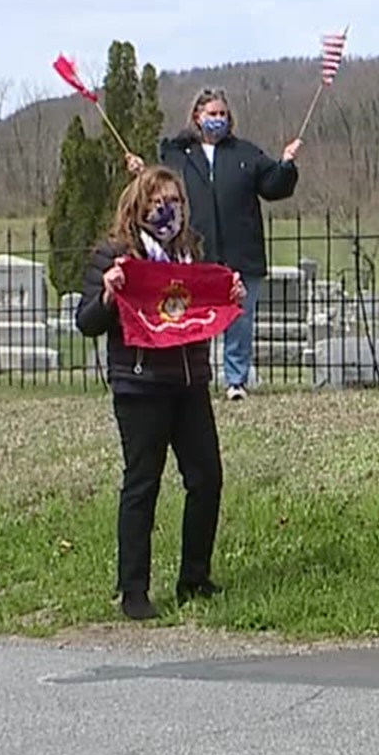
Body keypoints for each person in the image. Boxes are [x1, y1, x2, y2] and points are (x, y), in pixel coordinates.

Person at [75, 165, 245, 620]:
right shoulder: (115, 255)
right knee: (142, 485)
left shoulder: (190, 253)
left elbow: (204, 305)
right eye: (156, 200)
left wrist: (230, 296)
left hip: (189, 383)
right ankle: (133, 589)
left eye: (173, 201)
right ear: (138, 205)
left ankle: (195, 577)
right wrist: (110, 295)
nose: (165, 209)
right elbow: (87, 321)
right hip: (140, 385)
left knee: (206, 478)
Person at [125, 86, 300, 401]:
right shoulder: (177, 155)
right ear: (197, 117)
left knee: (240, 318)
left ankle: (236, 380)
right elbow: (157, 188)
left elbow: (274, 186)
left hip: (242, 251)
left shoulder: (246, 154)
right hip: (196, 252)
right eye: (212, 114)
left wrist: (286, 165)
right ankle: (194, 375)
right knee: (194, 315)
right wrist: (142, 171)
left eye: (222, 114)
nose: (218, 119)